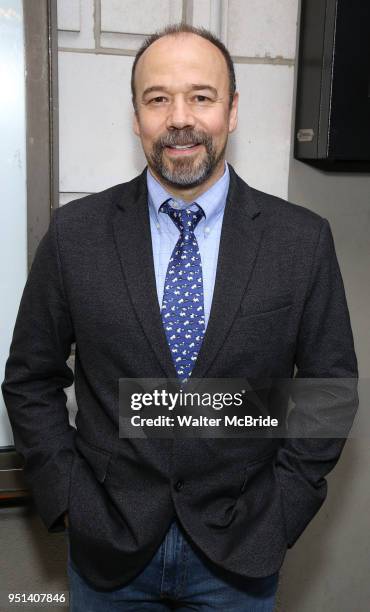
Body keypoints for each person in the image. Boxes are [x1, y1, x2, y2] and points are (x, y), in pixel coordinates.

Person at [2, 23, 358, 612]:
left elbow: (329, 392)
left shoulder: (301, 242)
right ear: (137, 116)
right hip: (109, 555)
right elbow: (30, 379)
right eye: (158, 98)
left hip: (239, 558)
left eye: (201, 96)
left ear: (233, 110)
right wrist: (67, 498)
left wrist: (281, 510)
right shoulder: (76, 236)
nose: (180, 118)